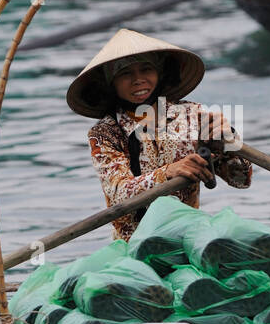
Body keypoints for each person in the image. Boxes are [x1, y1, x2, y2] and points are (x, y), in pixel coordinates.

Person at [67, 29, 251, 240]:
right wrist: (168, 173)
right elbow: (119, 194)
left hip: (190, 236)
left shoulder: (193, 116)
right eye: (125, 73)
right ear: (111, 82)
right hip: (134, 244)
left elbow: (242, 180)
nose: (138, 80)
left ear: (159, 73)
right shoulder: (105, 134)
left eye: (146, 69)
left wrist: (229, 140)